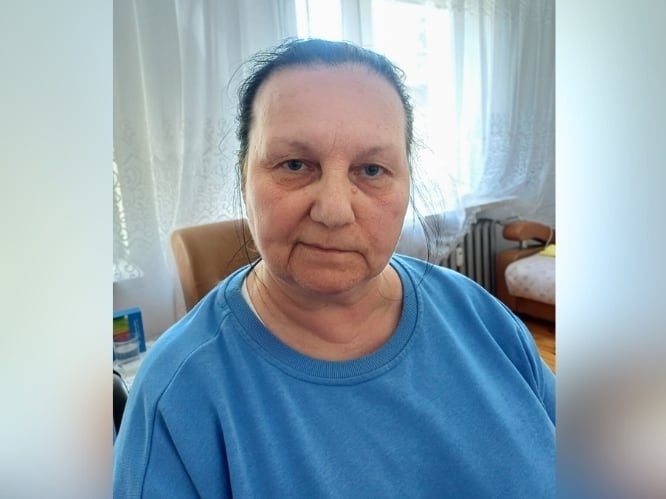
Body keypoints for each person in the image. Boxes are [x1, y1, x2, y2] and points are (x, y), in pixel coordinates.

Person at [113, 38, 555, 498]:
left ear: (406, 180)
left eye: (371, 170)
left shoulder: (481, 318)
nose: (334, 211)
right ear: (243, 177)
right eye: (295, 164)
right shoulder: (177, 397)